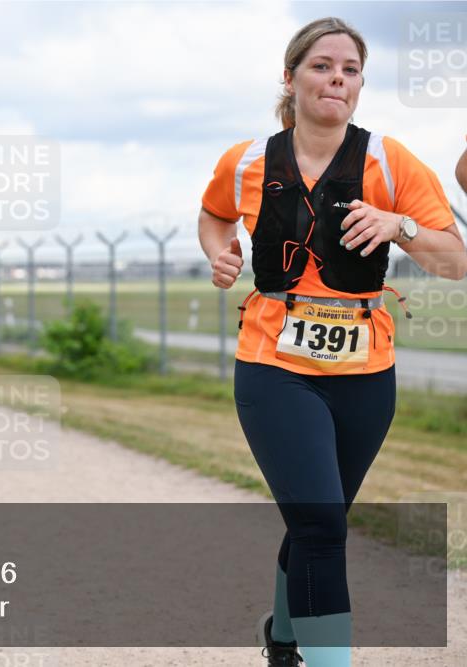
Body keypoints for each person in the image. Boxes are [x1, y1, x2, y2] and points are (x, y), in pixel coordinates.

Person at [198, 17, 467, 667]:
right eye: (322, 65)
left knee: (318, 518)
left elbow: (455, 259)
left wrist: (398, 223)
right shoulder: (247, 161)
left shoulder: (391, 161)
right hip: (275, 365)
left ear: (360, 85)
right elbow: (213, 215)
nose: (336, 78)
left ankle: (285, 637)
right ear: (290, 79)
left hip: (366, 371)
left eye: (349, 69)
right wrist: (220, 253)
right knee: (321, 523)